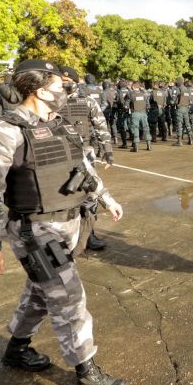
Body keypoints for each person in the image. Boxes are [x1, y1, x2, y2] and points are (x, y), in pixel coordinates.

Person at [0, 59, 129, 385]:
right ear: (40, 91)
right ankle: (87, 374)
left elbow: (82, 169)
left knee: (41, 293)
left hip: (70, 223)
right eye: (61, 87)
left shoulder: (62, 125)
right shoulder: (3, 131)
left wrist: (105, 198)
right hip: (35, 231)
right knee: (69, 298)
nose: (66, 91)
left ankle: (17, 349)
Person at [57, 66, 114, 254]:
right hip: (58, 156)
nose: (65, 85)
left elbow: (101, 127)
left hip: (85, 153)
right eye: (62, 81)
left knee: (90, 196)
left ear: (76, 82)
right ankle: (64, 237)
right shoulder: (50, 103)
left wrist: (107, 152)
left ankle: (90, 235)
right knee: (62, 196)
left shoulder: (88, 102)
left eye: (68, 82)